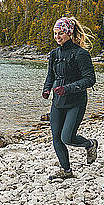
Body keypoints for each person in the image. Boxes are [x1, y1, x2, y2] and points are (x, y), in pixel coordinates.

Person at [42, 16, 98, 179]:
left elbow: (90, 79)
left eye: (60, 33)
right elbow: (50, 76)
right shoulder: (54, 54)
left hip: (76, 102)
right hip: (58, 102)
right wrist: (46, 89)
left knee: (67, 137)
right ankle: (66, 171)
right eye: (55, 33)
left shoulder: (81, 54)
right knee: (56, 138)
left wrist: (67, 89)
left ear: (69, 33)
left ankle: (90, 144)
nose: (57, 37)